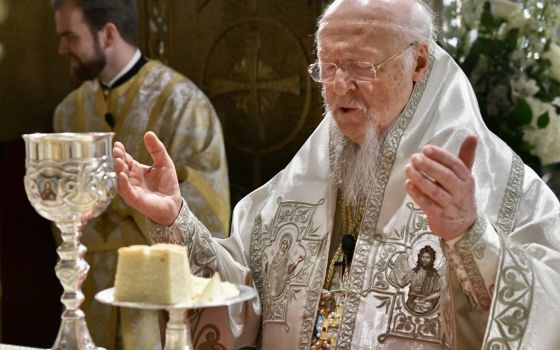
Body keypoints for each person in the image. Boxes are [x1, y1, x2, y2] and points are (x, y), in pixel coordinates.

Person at [113, 0, 560, 348]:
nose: (339, 87)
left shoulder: (502, 186)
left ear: (419, 62)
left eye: (362, 67)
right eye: (327, 68)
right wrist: (176, 223)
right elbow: (241, 308)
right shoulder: (298, 183)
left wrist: (470, 236)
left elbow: (547, 307)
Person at [51, 0, 230, 349]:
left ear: (108, 35)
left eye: (70, 37)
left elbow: (209, 216)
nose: (61, 49)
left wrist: (133, 202)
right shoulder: (67, 112)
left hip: (157, 300)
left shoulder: (182, 104)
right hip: (86, 294)